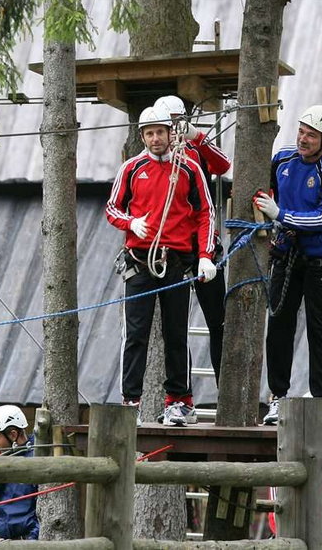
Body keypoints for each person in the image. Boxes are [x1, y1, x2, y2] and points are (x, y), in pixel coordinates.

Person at [105, 106, 216, 427]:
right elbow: (112, 207)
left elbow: (205, 212)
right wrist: (131, 223)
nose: (156, 139)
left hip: (176, 262)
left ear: (170, 134)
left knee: (176, 332)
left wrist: (206, 255)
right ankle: (130, 402)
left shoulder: (189, 168)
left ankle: (179, 401)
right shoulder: (131, 168)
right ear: (142, 136)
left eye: (160, 132)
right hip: (140, 261)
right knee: (136, 334)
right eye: (149, 133)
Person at [254, 105, 322, 426]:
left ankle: (321, 398)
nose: (303, 139)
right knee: (279, 322)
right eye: (301, 131)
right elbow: (263, 187)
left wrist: (279, 215)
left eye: (311, 135)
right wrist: (268, 221)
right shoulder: (283, 159)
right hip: (286, 252)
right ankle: (278, 397)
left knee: (319, 326)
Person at [153, 95, 231, 383]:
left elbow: (223, 165)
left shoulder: (195, 149)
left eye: (177, 122)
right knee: (175, 326)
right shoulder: (152, 156)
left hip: (204, 242)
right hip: (173, 248)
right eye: (168, 124)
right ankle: (179, 393)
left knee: (218, 321)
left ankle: (226, 387)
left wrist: (197, 136)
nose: (173, 129)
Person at [0, 405, 39, 540]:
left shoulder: (37, 458)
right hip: (6, 541)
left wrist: (32, 541)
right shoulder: (2, 459)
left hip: (30, 542)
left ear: (13, 435)